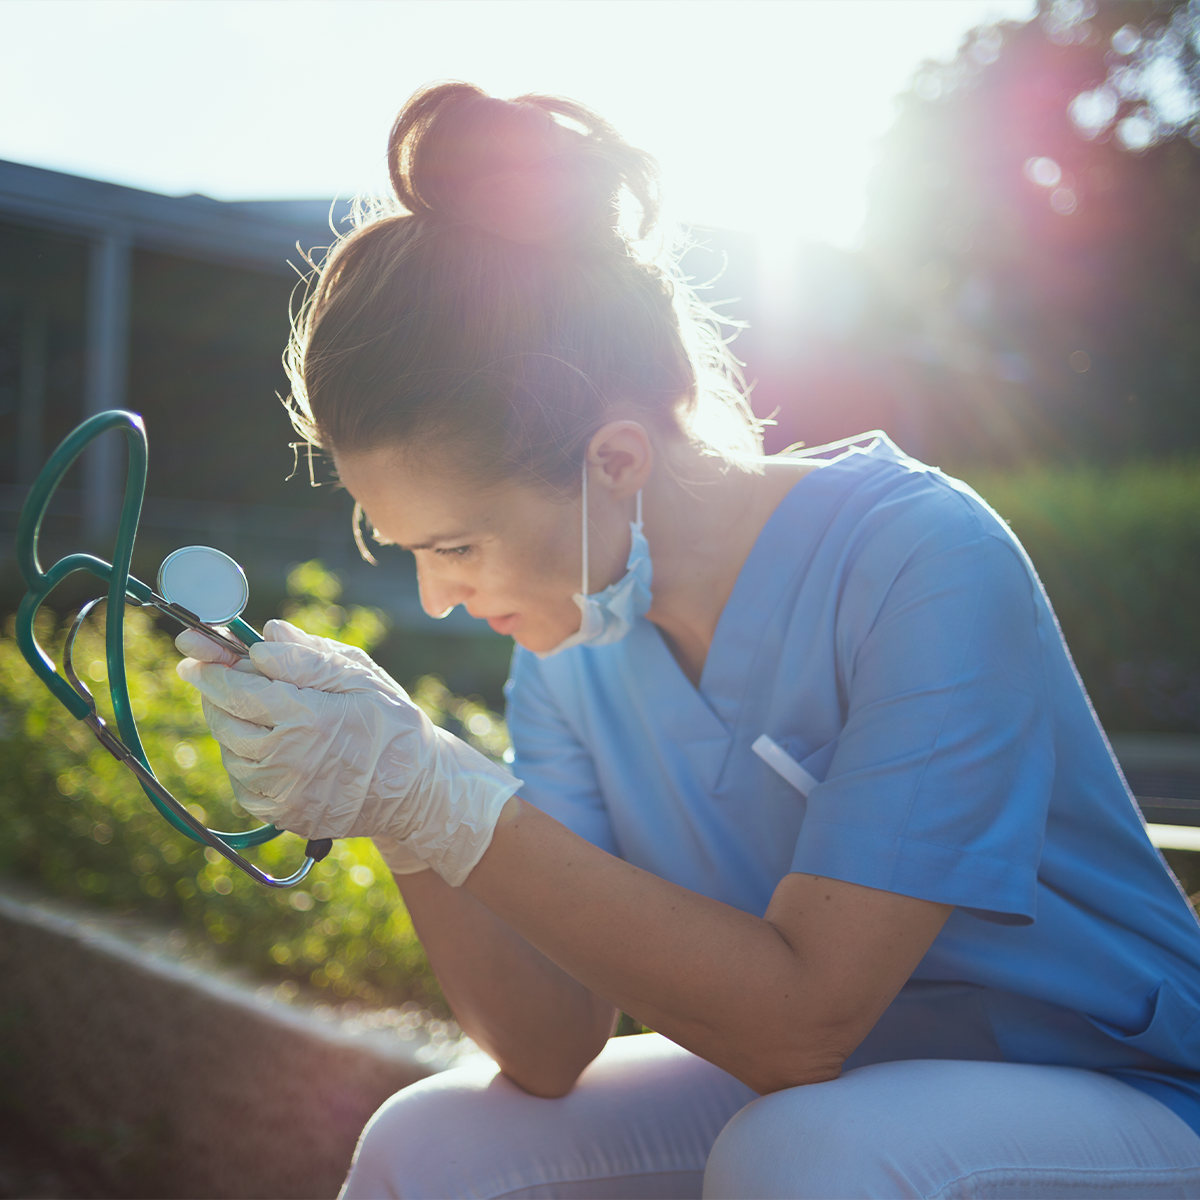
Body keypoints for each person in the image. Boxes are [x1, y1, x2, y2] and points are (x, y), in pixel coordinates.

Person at [175, 83, 1200, 1199]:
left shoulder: (925, 560)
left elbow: (804, 1027)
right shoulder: (564, 658)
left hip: (1121, 1087)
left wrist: (442, 794)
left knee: (804, 1153)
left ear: (615, 461)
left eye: (457, 545)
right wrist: (403, 809)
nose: (438, 596)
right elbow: (549, 1047)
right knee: (429, 1147)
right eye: (408, 549)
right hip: (854, 1085)